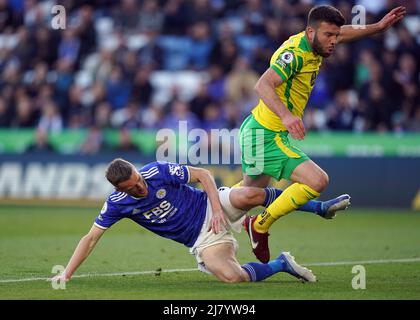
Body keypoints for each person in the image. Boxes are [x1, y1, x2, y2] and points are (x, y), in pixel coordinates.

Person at [237, 5, 406, 263]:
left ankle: (204, 209)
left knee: (246, 197)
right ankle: (259, 225)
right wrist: (287, 116)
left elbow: (343, 32)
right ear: (310, 32)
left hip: (260, 130)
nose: (334, 42)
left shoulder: (315, 40)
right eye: (329, 36)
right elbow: (263, 84)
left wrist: (377, 28)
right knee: (317, 181)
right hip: (266, 134)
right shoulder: (294, 54)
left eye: (335, 36)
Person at [50, 158, 350, 284]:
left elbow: (203, 175)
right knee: (231, 277)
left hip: (211, 204)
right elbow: (90, 238)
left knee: (249, 196)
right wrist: (66, 275)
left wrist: (219, 210)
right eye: (133, 188)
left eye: (138, 180)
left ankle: (320, 207)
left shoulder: (156, 172)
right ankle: (281, 264)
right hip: (202, 238)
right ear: (120, 189)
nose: (140, 187)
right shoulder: (117, 204)